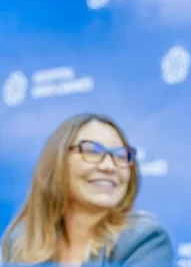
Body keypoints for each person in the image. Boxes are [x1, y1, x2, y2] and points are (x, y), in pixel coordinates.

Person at [1, 113, 174, 267]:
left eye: (120, 156)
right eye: (92, 151)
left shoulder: (144, 240)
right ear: (57, 162)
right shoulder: (22, 242)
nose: (109, 166)